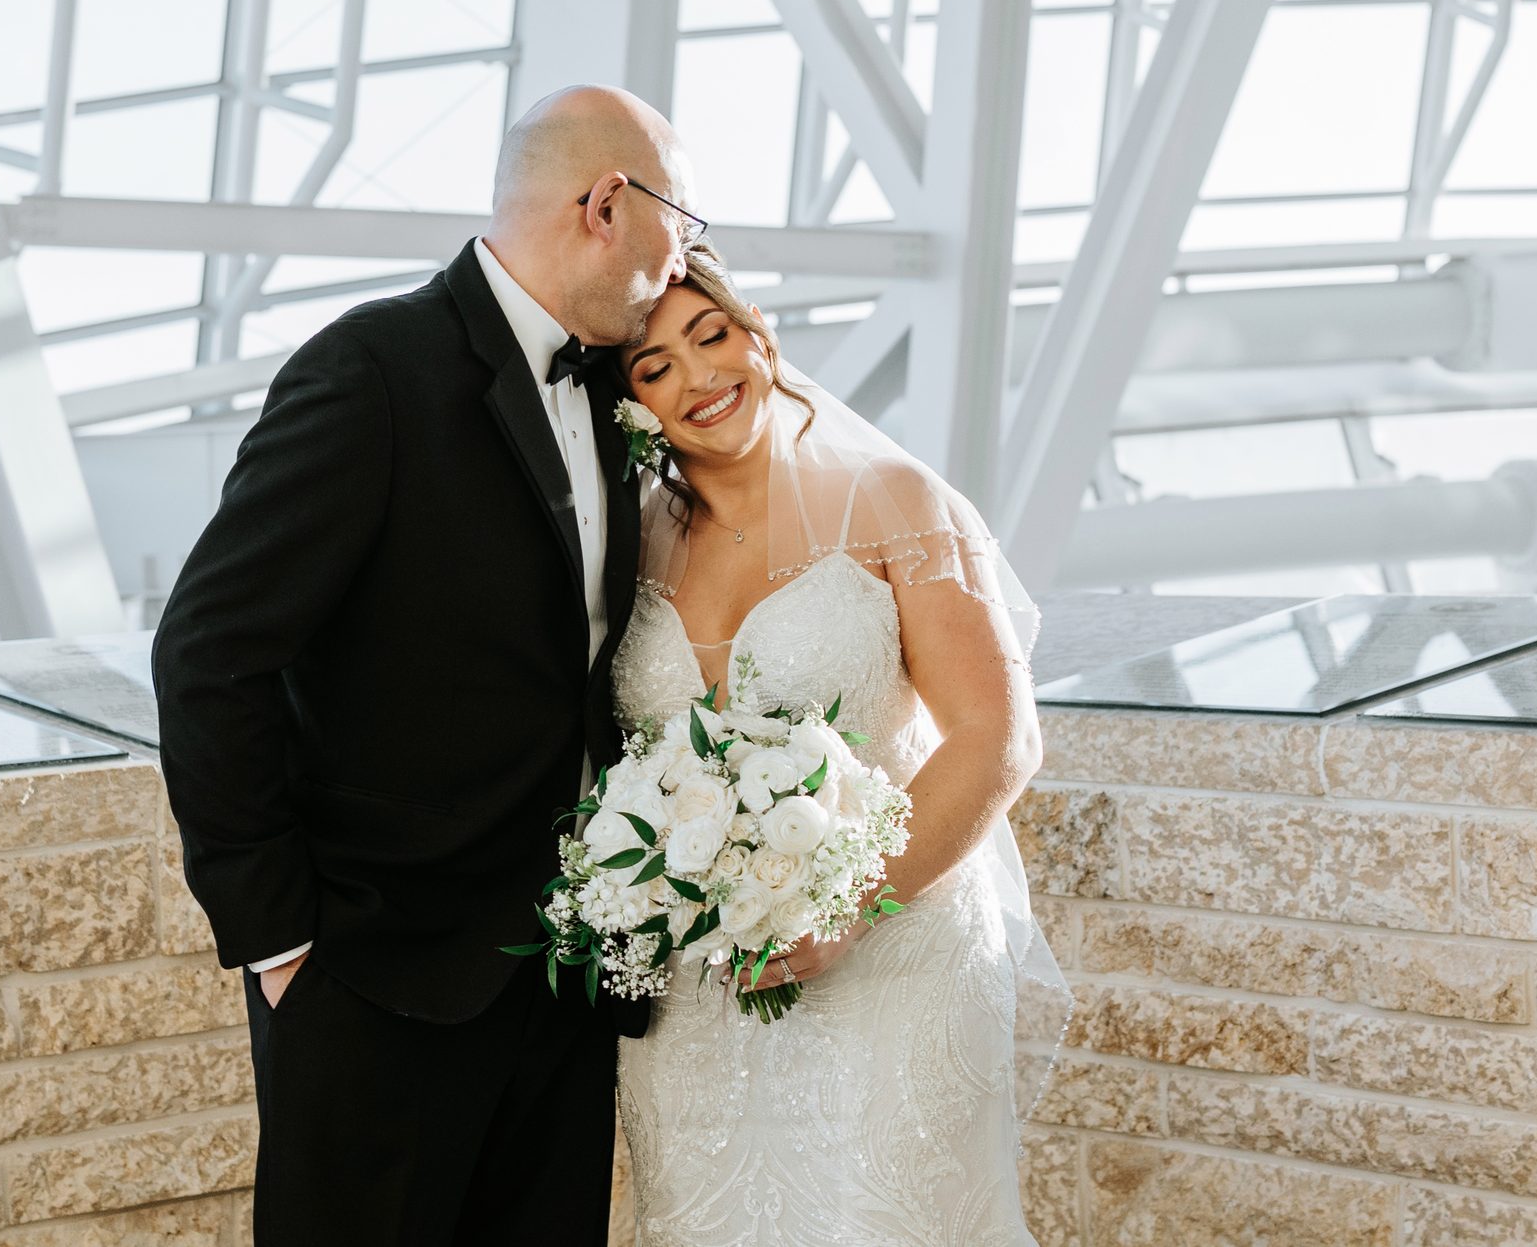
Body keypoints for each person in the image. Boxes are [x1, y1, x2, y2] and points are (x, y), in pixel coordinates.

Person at [152, 85, 699, 1244]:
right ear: (607, 204)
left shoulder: (617, 392)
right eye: (683, 217)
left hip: (563, 986)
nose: (687, 250)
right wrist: (282, 940)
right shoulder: (372, 371)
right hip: (376, 983)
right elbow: (209, 652)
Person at [610, 243, 1070, 1245]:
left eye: (712, 334)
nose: (700, 378)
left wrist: (846, 908)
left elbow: (998, 736)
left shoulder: (892, 501)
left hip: (894, 967)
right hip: (695, 997)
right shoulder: (624, 542)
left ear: (758, 334)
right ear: (631, 404)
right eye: (656, 368)